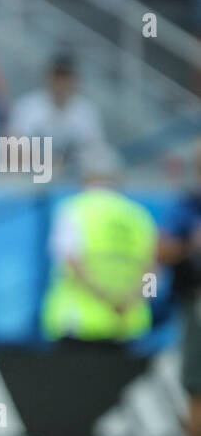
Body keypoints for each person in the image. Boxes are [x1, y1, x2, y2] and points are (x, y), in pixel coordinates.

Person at [41, 146, 157, 344]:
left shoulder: (74, 210)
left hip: (78, 323)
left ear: (84, 176)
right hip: (128, 325)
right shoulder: (140, 216)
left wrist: (107, 298)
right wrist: (134, 299)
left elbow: (69, 264)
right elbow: (152, 271)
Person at [155, 141, 201, 436]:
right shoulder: (188, 206)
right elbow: (162, 251)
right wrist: (190, 244)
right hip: (196, 302)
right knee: (197, 386)